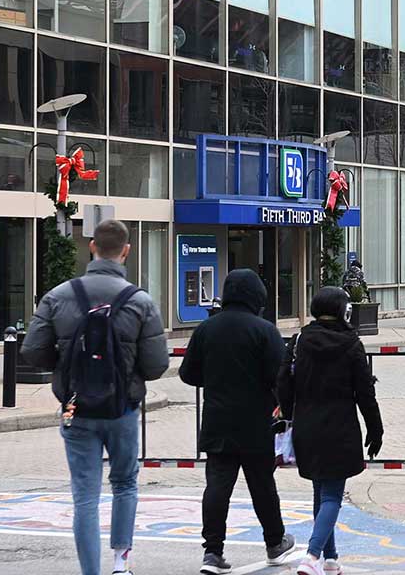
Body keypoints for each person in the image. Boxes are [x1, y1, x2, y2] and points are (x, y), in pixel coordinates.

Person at [21, 220, 169, 575]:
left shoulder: (58, 296)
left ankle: (91, 571)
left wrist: (66, 370)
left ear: (91, 247)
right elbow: (156, 365)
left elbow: (32, 350)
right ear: (126, 251)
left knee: (85, 495)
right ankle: (121, 564)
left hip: (77, 408)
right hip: (122, 409)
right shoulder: (140, 301)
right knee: (124, 483)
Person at [180, 269, 297, 574]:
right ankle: (275, 542)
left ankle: (213, 552)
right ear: (256, 296)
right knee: (262, 484)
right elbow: (279, 376)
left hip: (217, 420)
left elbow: (187, 374)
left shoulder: (206, 329)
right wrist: (282, 406)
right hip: (256, 422)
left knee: (217, 486)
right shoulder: (264, 330)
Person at [278, 287, 383, 575]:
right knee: (331, 496)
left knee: (320, 492)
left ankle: (331, 558)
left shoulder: (299, 341)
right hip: (340, 427)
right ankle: (312, 556)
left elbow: (283, 383)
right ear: (343, 311)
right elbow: (365, 391)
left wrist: (288, 415)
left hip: (307, 426)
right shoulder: (351, 343)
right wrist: (375, 428)